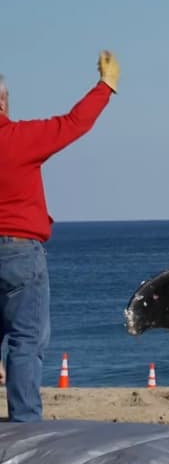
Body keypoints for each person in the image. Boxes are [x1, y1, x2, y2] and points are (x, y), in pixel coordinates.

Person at [0, 51, 118, 421]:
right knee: (25, 341)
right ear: (3, 102)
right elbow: (74, 123)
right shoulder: (19, 138)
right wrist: (105, 86)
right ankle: (24, 425)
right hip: (18, 252)